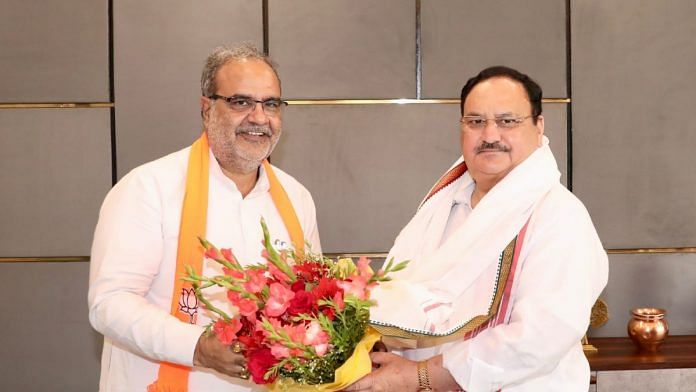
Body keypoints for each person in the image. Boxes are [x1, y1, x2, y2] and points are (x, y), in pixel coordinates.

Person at [348, 66, 608, 391]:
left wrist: (420, 376)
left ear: (539, 126)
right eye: (475, 122)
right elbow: (403, 295)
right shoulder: (443, 205)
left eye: (507, 121)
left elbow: (540, 336)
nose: (490, 135)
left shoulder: (558, 215)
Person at [88, 43, 321, 391]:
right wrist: (197, 347)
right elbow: (110, 304)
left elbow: (311, 300)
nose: (259, 117)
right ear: (206, 108)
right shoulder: (148, 188)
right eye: (241, 102)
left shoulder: (296, 198)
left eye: (270, 103)